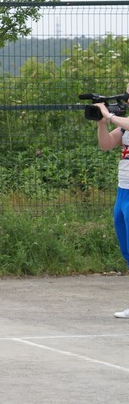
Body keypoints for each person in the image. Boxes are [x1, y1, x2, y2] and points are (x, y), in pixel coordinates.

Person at [93, 86, 129, 318]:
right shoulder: (123, 125)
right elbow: (106, 144)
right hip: (123, 190)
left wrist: (110, 115)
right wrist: (101, 123)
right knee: (127, 248)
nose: (125, 98)